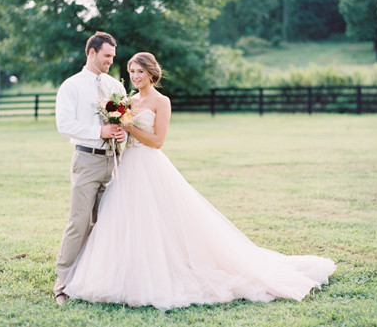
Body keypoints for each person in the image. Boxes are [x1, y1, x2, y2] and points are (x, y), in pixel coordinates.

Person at [63, 52, 336, 311]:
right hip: (127, 165)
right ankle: (124, 274)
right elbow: (125, 135)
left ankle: (163, 273)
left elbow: (157, 142)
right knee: (126, 220)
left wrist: (129, 125)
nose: (135, 76)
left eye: (140, 72)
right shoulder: (129, 101)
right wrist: (121, 130)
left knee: (158, 220)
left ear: (151, 74)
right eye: (132, 71)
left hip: (149, 164)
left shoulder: (161, 101)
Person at [53, 31, 126, 305]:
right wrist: (99, 131)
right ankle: (62, 284)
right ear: (92, 52)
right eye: (107, 56)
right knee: (79, 222)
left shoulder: (115, 86)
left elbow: (124, 120)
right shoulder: (71, 86)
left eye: (113, 57)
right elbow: (65, 125)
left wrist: (122, 133)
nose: (110, 61)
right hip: (87, 160)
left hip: (115, 160)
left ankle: (98, 281)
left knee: (108, 222)